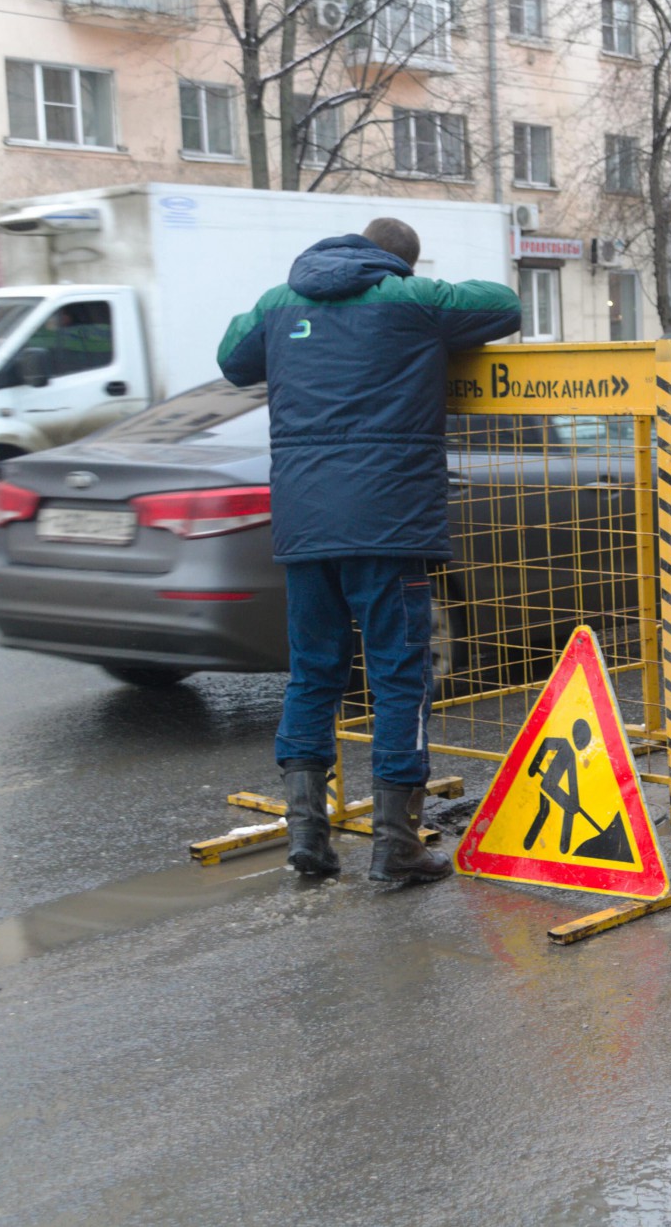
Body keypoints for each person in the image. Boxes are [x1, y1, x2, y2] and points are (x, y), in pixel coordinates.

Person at [218, 218, 521, 881]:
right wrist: (417, 292)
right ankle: (396, 844)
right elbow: (505, 304)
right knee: (398, 679)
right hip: (388, 523)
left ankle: (309, 836)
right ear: (402, 263)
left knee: (314, 673)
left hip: (304, 523)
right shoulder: (412, 300)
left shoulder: (279, 302)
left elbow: (232, 356)